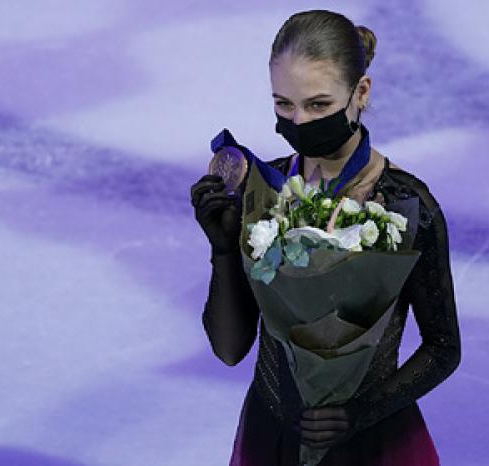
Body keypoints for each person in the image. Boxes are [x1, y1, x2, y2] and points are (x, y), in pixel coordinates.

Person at [189, 9, 461, 466]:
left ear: (361, 93)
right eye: (283, 105)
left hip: (373, 441)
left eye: (318, 105)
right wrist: (221, 251)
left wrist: (359, 412)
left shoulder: (407, 206)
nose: (300, 121)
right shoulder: (261, 187)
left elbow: (443, 348)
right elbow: (230, 349)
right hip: (270, 435)